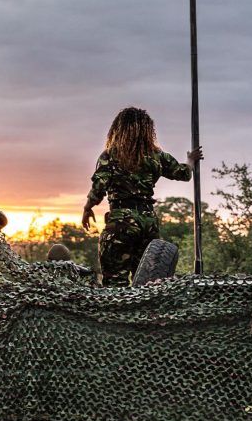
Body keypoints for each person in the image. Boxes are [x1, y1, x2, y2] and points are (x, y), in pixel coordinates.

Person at [82, 107, 202, 287]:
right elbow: (183, 173)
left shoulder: (110, 155)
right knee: (147, 284)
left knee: (115, 282)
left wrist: (87, 208)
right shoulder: (157, 156)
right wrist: (190, 161)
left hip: (121, 222)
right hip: (148, 222)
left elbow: (99, 187)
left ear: (118, 129)